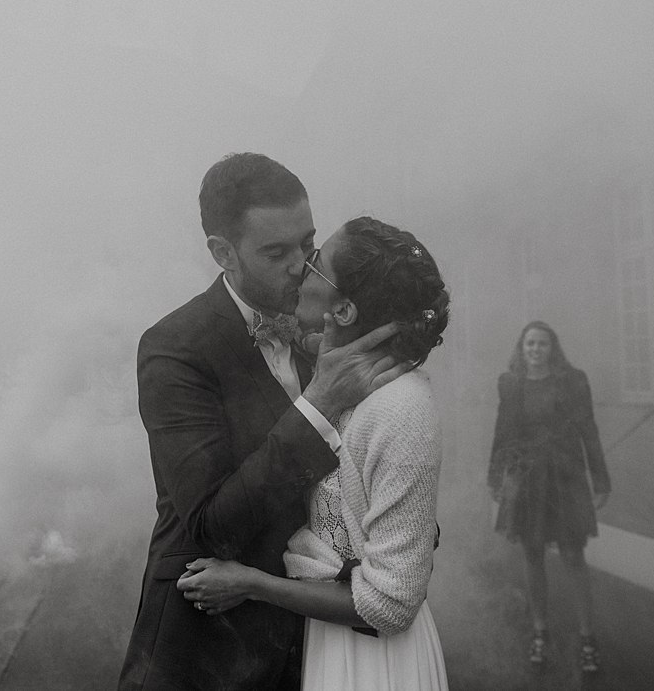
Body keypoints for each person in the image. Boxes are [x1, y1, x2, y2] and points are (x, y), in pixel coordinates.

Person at [119, 155, 408, 691]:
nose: (302, 267)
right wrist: (319, 404)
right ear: (222, 253)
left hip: (314, 640)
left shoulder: (326, 327)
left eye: (308, 244)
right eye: (276, 253)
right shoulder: (174, 347)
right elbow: (213, 524)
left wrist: (402, 519)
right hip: (204, 648)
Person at [177, 216, 451, 690]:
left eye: (315, 262)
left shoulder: (401, 407)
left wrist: (251, 583)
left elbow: (392, 605)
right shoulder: (336, 373)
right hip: (327, 642)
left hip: (376, 660)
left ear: (343, 310)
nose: (301, 267)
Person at [487, 320, 610, 672]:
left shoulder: (573, 381)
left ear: (552, 348)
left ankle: (588, 637)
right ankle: (540, 632)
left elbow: (589, 430)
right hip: (527, 480)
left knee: (573, 555)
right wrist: (495, 477)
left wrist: (601, 480)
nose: (536, 349)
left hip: (565, 479)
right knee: (533, 553)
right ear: (521, 348)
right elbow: (503, 433)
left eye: (542, 343)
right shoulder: (511, 384)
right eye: (530, 344)